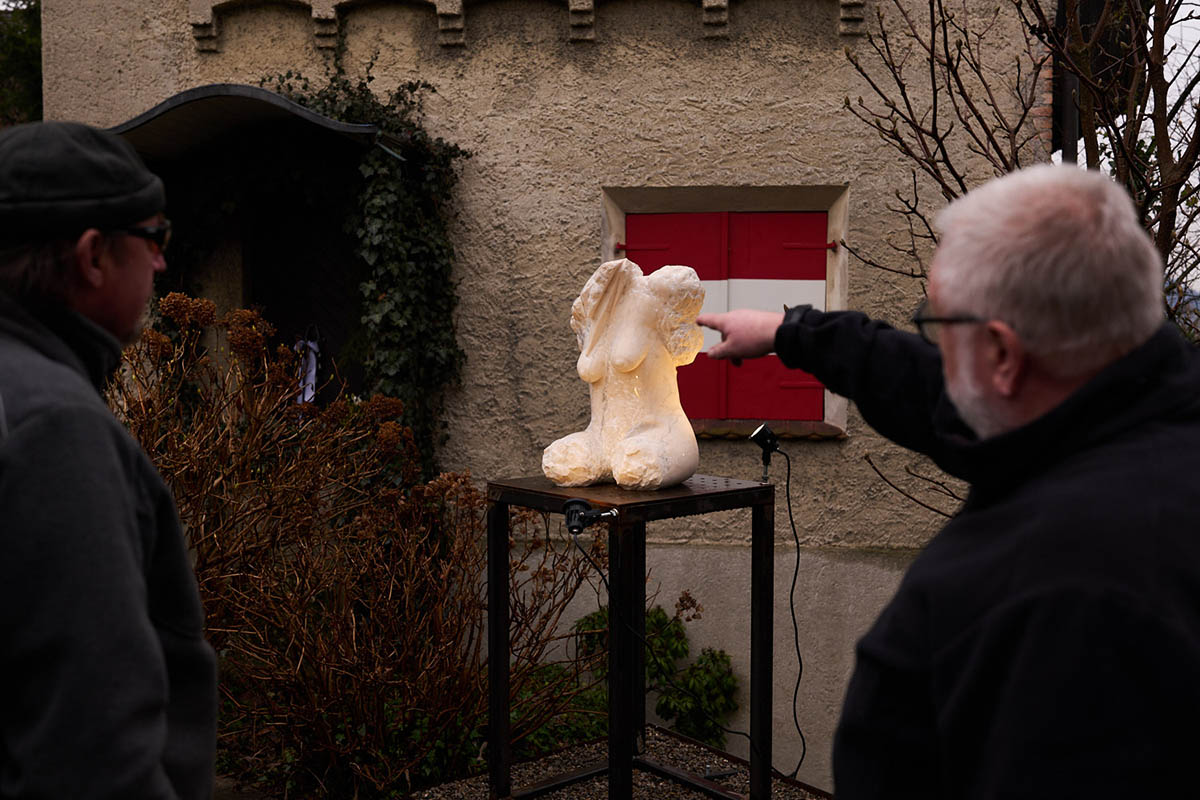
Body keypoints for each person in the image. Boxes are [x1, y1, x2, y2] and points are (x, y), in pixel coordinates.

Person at [699, 165, 1200, 797]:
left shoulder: (1047, 596)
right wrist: (787, 333)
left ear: (1003, 355)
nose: (932, 348)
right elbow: (931, 387)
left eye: (935, 325)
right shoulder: (1137, 404)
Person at [0, 122, 216, 798]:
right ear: (93, 257)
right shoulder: (53, 429)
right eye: (153, 240)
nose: (160, 265)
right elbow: (93, 742)